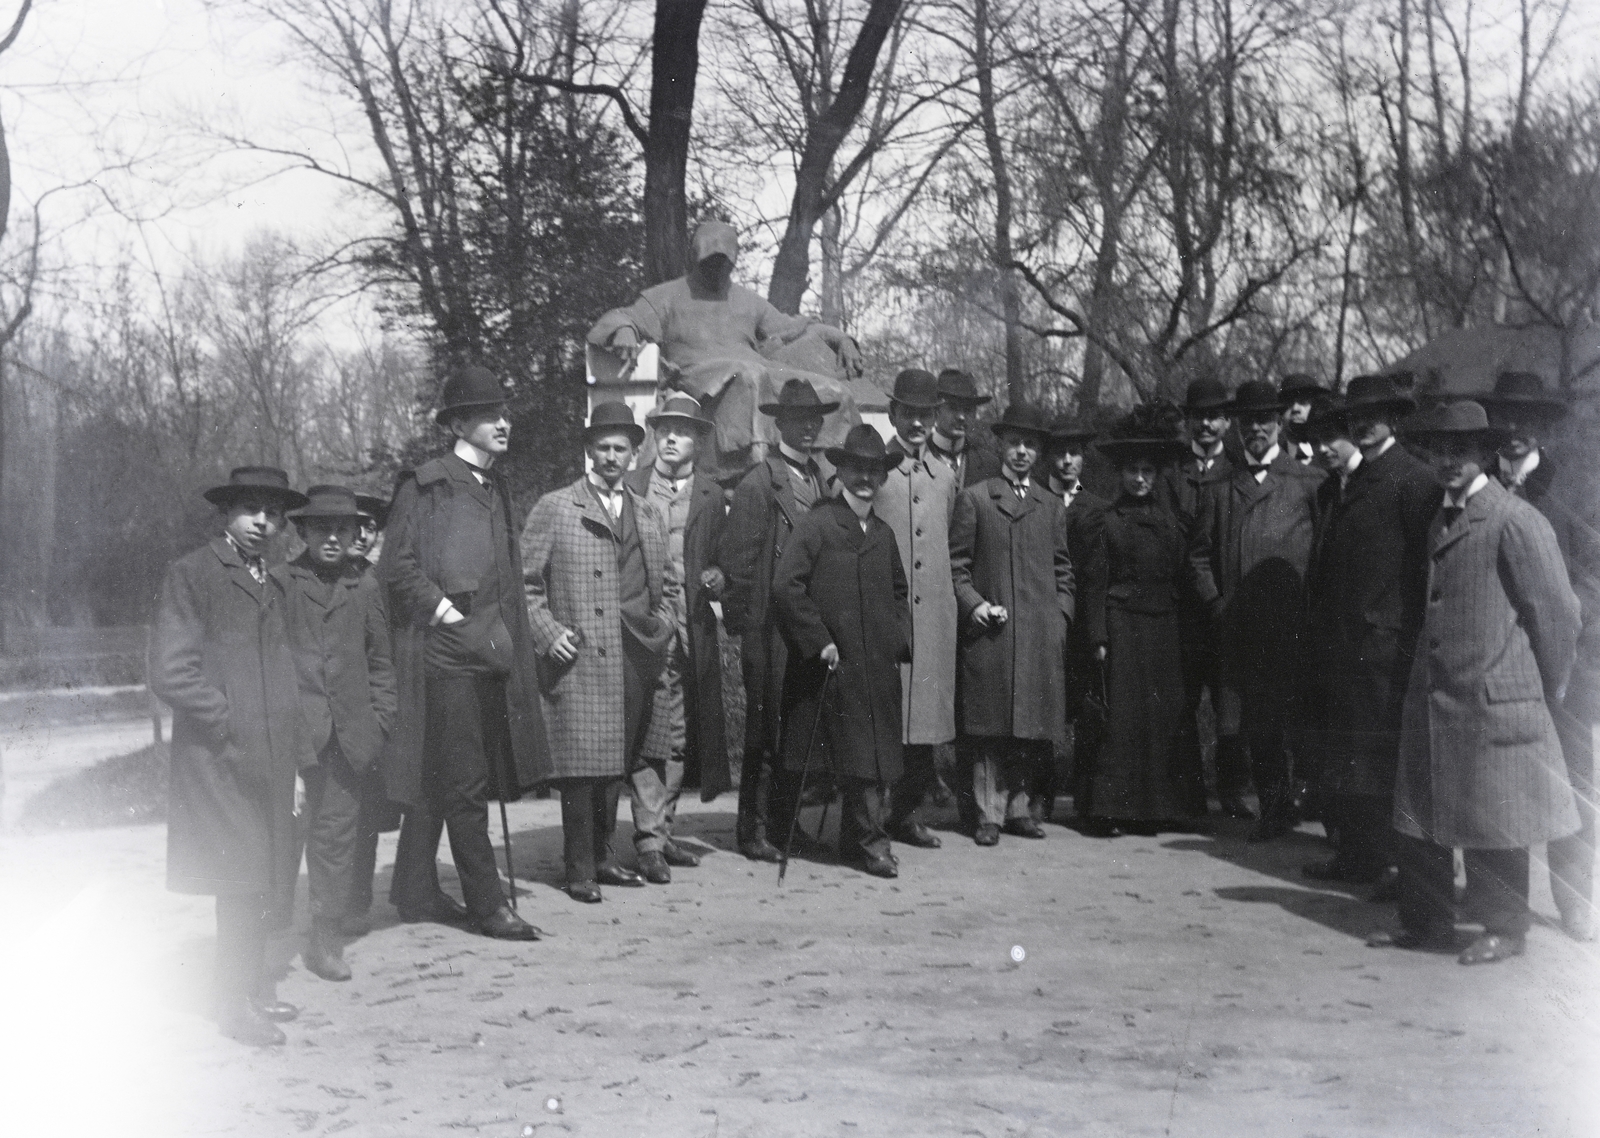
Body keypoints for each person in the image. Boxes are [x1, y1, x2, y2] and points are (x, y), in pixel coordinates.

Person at [1370, 401, 1580, 964]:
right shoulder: (1435, 516)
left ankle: (1505, 928)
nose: (1447, 460)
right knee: (1421, 812)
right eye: (1438, 450)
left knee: (1496, 817)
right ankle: (1427, 921)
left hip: (1492, 697)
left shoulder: (1514, 519)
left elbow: (1558, 612)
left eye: (1459, 450)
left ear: (1485, 452)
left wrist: (1544, 685)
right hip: (1434, 693)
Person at [381, 365, 548, 941]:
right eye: (489, 415)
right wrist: (447, 614)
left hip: (490, 653)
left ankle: (414, 890)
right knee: (467, 782)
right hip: (446, 657)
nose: (504, 423)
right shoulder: (425, 484)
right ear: (457, 422)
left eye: (505, 413)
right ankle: (487, 904)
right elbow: (395, 568)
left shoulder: (493, 485)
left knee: (438, 778)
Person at [149, 466, 311, 1046]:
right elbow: (171, 671)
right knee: (238, 879)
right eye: (250, 511)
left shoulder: (273, 579)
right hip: (219, 759)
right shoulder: (193, 574)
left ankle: (249, 990)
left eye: (273, 513)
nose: (263, 522)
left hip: (269, 754)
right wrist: (228, 723)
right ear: (227, 515)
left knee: (264, 877)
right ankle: (231, 1007)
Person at [523, 402, 675, 903]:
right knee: (581, 765)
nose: (611, 457)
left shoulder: (648, 512)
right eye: (602, 447)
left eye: (621, 448)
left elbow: (668, 586)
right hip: (581, 656)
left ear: (635, 454)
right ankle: (579, 867)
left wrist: (665, 626)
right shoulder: (557, 506)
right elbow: (523, 585)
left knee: (618, 760)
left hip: (637, 654)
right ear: (589, 451)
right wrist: (548, 632)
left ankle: (604, 856)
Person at [1299, 376, 1438, 896]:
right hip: (1344, 643)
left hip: (1385, 644)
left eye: (1373, 415)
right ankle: (1357, 856)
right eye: (1354, 416)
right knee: (1350, 756)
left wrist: (1404, 632)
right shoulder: (1351, 480)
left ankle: (1393, 868)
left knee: (1383, 761)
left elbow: (1422, 566)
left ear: (1393, 420)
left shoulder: (1413, 479)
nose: (1362, 424)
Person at [587, 220, 863, 476]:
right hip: (700, 376)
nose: (717, 268)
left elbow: (795, 326)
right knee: (749, 375)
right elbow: (621, 316)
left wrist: (840, 338)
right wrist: (624, 330)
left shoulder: (748, 300)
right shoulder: (665, 296)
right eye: (710, 261)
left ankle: (836, 473)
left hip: (755, 371)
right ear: (695, 258)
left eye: (724, 263)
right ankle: (752, 468)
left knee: (832, 392)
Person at [1479, 370, 1600, 941]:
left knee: (1572, 782)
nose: (1514, 433)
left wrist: (1568, 629)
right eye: (1505, 421)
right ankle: (1502, 909)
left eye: (1526, 422)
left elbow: (1594, 572)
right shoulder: (1477, 486)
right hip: (1499, 662)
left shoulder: (1573, 489)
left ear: (1543, 428)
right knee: (1500, 780)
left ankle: (1574, 899)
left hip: (1568, 663)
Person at [772, 424, 912, 877]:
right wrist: (820, 641)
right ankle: (874, 844)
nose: (866, 478)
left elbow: (897, 591)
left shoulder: (885, 533)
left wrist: (898, 640)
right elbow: (786, 586)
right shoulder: (819, 523)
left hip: (878, 666)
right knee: (853, 754)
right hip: (834, 664)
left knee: (878, 756)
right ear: (842, 471)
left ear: (884, 476)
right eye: (856, 469)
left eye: (874, 470)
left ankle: (858, 841)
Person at [1189, 379, 1324, 841]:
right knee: (1255, 720)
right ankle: (1274, 806)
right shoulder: (1220, 484)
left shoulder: (1308, 481)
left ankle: (1317, 804)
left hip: (1294, 622)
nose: (1257, 430)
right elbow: (1198, 555)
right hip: (1239, 623)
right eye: (1248, 423)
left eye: (1265, 420)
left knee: (1301, 717)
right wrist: (1216, 603)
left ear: (1281, 420)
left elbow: (1324, 551)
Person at [719, 378, 840, 862]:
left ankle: (786, 825)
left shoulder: (823, 480)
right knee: (765, 730)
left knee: (798, 727)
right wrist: (751, 629)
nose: (809, 427)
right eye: (798, 420)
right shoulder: (758, 483)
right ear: (779, 423)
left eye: (815, 419)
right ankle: (753, 830)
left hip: (808, 625)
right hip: (769, 629)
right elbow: (736, 563)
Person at [281, 485, 397, 981]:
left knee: (336, 839)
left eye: (343, 529)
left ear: (356, 533)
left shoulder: (364, 585)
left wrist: (380, 721)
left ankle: (325, 939)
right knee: (285, 837)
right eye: (321, 529)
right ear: (303, 531)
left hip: (349, 739)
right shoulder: (283, 584)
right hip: (296, 734)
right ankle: (266, 939)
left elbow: (380, 663)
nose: (332, 538)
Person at [949, 403, 1075, 845]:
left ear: (1039, 452)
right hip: (993, 633)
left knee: (1028, 726)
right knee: (990, 728)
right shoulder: (978, 498)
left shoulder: (1050, 505)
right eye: (1014, 443)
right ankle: (988, 814)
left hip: (1039, 634)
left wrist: (1060, 617)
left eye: (1030, 445)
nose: (1022, 452)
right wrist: (975, 605)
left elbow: (1063, 570)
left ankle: (1020, 809)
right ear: (1002, 446)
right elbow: (957, 567)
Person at [620, 394, 729, 884]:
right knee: (646, 735)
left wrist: (718, 575)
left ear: (699, 441)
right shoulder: (631, 486)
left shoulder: (711, 495)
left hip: (691, 633)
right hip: (640, 631)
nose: (668, 439)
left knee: (680, 737)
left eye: (680, 431)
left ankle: (661, 835)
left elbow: (726, 557)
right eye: (663, 429)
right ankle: (646, 841)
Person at [1081, 404, 1200, 834]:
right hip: (1123, 624)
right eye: (1132, 470)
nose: (1140, 478)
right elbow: (1095, 582)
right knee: (1123, 719)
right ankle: (1113, 810)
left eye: (1147, 470)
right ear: (1120, 473)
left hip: (1163, 627)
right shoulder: (1106, 521)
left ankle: (1159, 808)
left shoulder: (1171, 522)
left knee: (1162, 717)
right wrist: (1098, 634)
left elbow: (1182, 576)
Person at [876, 368, 959, 849]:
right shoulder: (876, 468)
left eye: (925, 415)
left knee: (923, 722)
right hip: (889, 616)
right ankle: (872, 815)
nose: (917, 423)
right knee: (886, 717)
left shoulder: (946, 476)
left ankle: (907, 815)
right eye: (908, 413)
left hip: (933, 620)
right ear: (892, 414)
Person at [1160, 374, 1247, 818]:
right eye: (1199, 418)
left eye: (1215, 417)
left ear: (1227, 422)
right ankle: (1189, 793)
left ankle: (1232, 790)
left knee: (1228, 700)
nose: (1207, 426)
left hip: (1225, 608)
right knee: (1183, 701)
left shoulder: (1239, 472)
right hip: (1180, 608)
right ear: (1188, 422)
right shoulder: (1171, 472)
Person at [1044, 415, 1109, 825]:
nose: (1068, 462)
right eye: (1060, 453)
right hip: (1045, 618)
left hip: (1084, 624)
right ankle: (1040, 796)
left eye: (1075, 454)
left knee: (1087, 711)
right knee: (1046, 710)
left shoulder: (1098, 507)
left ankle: (1087, 800)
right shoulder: (1033, 500)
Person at [926, 368, 1000, 491]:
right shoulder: (916, 458)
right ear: (936, 410)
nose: (961, 417)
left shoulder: (990, 465)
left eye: (968, 410)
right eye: (953, 408)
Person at [1279, 373, 1331, 466]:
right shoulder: (1271, 455)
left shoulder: (1331, 454)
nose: (1295, 409)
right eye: (1289, 403)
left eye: (1303, 401)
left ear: (1316, 407)